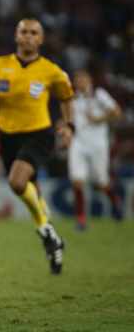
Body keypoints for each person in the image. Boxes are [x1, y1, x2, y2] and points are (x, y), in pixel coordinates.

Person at [0, 18, 74, 275]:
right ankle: (52, 239)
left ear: (40, 39)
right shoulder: (0, 65)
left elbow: (66, 98)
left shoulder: (51, 71)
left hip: (38, 134)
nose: (28, 36)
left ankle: (45, 230)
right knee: (31, 191)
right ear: (16, 36)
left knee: (17, 182)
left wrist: (69, 126)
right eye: (24, 32)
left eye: (33, 33)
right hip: (8, 137)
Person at [69, 70, 123, 230]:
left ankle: (115, 202)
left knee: (101, 183)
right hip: (78, 143)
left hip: (98, 144)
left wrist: (98, 118)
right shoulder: (73, 99)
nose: (79, 82)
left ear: (89, 80)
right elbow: (70, 119)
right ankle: (81, 220)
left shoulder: (99, 95)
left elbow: (117, 112)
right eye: (77, 80)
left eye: (82, 79)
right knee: (77, 181)